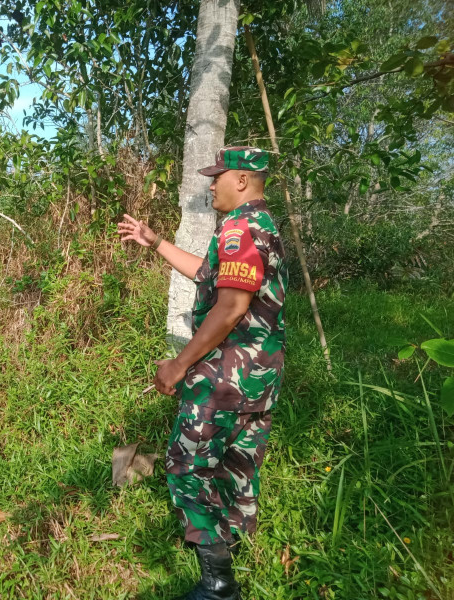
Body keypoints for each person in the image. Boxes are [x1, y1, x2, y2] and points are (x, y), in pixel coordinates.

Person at [118, 147, 287, 600]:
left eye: (218, 177)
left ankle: (217, 585)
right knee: (237, 466)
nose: (210, 185)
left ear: (243, 180)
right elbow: (210, 277)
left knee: (186, 468)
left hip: (226, 377)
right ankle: (231, 550)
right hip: (259, 377)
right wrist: (155, 242)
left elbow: (230, 308)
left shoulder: (239, 228)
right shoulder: (261, 225)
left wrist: (178, 364)